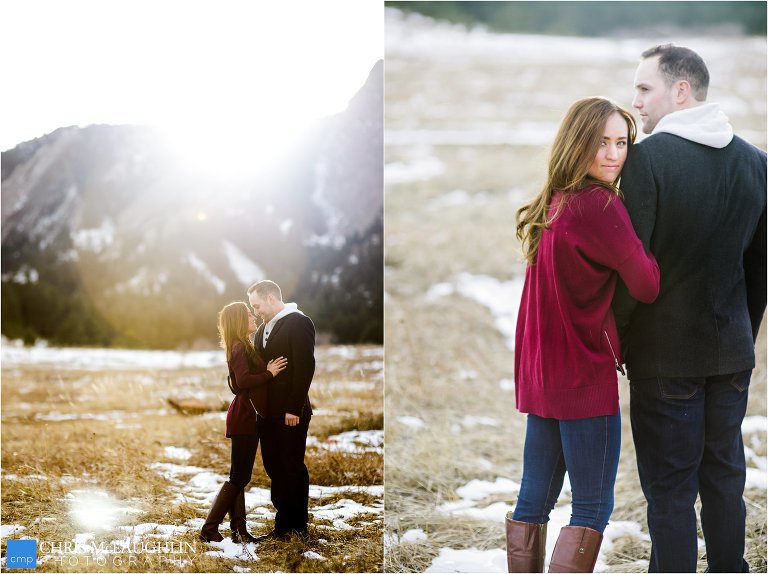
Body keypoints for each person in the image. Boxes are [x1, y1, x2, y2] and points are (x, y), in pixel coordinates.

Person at [612, 44, 767, 573]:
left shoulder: (647, 160)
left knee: (671, 488)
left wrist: (621, 338)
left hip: (664, 356)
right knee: (725, 476)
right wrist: (742, 333)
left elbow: (634, 269)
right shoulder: (755, 162)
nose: (635, 101)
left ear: (682, 91)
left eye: (644, 88)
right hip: (732, 353)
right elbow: (758, 274)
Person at [508, 96, 660, 573]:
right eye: (601, 142)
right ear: (578, 144)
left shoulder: (555, 200)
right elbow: (647, 284)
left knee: (533, 497)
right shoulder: (598, 205)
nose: (613, 154)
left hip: (545, 375)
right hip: (583, 376)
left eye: (621, 142)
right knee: (592, 508)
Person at [200, 301, 287, 543]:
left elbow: (236, 383)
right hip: (245, 417)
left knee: (239, 475)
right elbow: (244, 380)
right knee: (239, 477)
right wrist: (270, 373)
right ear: (239, 320)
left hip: (247, 415)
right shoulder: (239, 346)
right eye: (248, 314)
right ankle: (209, 528)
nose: (253, 317)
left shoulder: (242, 345)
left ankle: (239, 532)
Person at [247, 280, 316, 539]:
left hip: (290, 412)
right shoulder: (263, 329)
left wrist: (293, 408)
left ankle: (297, 526)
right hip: (268, 413)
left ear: (272, 299)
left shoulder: (299, 322)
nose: (256, 312)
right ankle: (282, 524)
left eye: (258, 306)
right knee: (274, 466)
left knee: (291, 466)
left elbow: (305, 367)